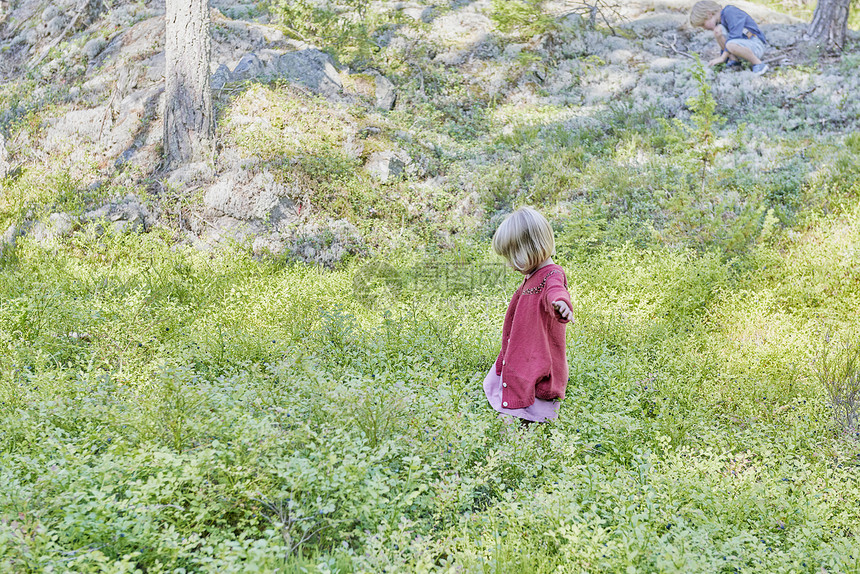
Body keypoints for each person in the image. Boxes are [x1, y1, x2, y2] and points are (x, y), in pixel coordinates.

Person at [483, 207, 573, 423]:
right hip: (523, 349)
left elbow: (556, 290)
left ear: (532, 247)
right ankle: (515, 421)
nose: (510, 265)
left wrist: (561, 304)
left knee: (530, 389)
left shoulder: (552, 274)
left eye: (513, 257)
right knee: (515, 378)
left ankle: (519, 431)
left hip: (537, 353)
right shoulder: (533, 274)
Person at [690, 1, 769, 75]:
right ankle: (734, 60)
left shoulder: (730, 12)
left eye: (703, 24)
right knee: (718, 31)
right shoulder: (721, 22)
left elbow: (735, 35)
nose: (704, 28)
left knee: (730, 44)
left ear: (709, 14)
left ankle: (758, 64)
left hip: (756, 44)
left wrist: (722, 57)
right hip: (744, 45)